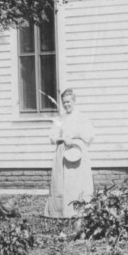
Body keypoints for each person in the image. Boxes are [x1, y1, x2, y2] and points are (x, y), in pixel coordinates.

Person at [44, 88, 95, 218]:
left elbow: (89, 136)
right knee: (63, 183)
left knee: (77, 182)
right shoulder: (60, 118)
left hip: (78, 152)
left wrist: (74, 135)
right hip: (63, 153)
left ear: (74, 101)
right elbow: (52, 136)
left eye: (68, 101)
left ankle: (80, 211)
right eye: (64, 102)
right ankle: (62, 211)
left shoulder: (82, 117)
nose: (66, 104)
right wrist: (62, 138)